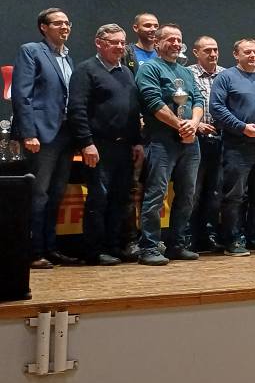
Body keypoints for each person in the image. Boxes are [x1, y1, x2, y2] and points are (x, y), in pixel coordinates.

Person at [67, 24, 143, 265]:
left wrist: (137, 142)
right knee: (98, 199)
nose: (120, 47)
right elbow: (77, 109)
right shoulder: (86, 70)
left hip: (124, 147)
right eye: (114, 42)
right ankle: (94, 250)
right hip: (98, 146)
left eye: (122, 42)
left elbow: (132, 110)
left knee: (120, 199)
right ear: (99, 43)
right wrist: (86, 143)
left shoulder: (126, 72)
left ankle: (113, 246)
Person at [12, 8, 77, 268]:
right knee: (38, 194)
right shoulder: (31, 51)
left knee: (56, 193)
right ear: (43, 27)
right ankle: (33, 251)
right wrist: (28, 132)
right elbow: (22, 94)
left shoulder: (68, 57)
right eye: (58, 23)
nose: (65, 27)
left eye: (67, 23)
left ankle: (51, 248)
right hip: (41, 133)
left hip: (65, 134)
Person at [134, 24, 203, 265]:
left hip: (190, 141)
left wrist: (193, 124)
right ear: (158, 43)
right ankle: (149, 247)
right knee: (156, 194)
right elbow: (153, 102)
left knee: (187, 194)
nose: (175, 43)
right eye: (170, 39)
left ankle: (177, 244)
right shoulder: (149, 68)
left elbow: (198, 99)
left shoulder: (186, 72)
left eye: (178, 39)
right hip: (161, 140)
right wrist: (180, 125)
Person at [211, 38, 255, 256]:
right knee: (234, 196)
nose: (252, 56)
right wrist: (242, 127)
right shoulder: (226, 77)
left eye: (254, 52)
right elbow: (216, 107)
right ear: (236, 54)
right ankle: (232, 239)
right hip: (237, 145)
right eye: (247, 52)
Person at [188, 35, 225, 253]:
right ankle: (188, 237)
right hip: (196, 138)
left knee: (215, 191)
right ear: (196, 52)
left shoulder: (226, 74)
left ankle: (209, 236)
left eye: (215, 50)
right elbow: (184, 104)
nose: (212, 54)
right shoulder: (188, 74)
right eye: (207, 50)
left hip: (221, 138)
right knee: (193, 190)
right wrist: (197, 124)